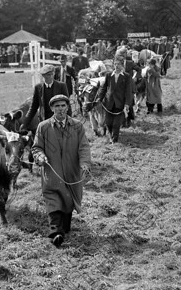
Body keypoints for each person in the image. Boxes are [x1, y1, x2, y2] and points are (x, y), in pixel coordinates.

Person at [32, 94, 92, 248]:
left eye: (63, 105)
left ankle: (63, 227)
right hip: (52, 172)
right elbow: (36, 147)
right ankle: (55, 232)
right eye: (57, 106)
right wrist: (40, 156)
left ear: (67, 107)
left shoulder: (77, 126)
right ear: (51, 108)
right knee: (53, 200)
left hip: (72, 171)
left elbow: (84, 146)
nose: (60, 109)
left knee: (68, 200)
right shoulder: (43, 127)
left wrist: (84, 163)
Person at [95, 55, 134, 143]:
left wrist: (127, 103)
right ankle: (111, 136)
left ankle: (114, 140)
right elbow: (104, 88)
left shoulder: (126, 76)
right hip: (109, 103)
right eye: (115, 64)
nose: (117, 66)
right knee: (108, 123)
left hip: (120, 103)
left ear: (122, 66)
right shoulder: (109, 75)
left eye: (119, 64)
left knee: (116, 124)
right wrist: (99, 98)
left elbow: (128, 91)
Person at [24, 64, 70, 132]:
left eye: (52, 74)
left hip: (59, 119)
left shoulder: (61, 86)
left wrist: (69, 122)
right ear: (43, 76)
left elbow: (67, 105)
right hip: (44, 120)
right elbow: (33, 107)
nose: (50, 77)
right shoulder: (38, 87)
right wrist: (25, 124)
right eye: (48, 75)